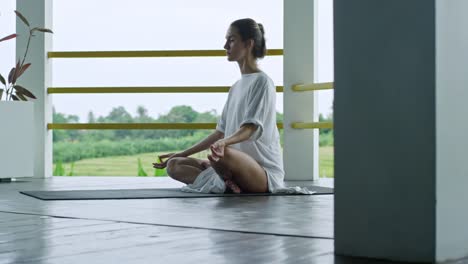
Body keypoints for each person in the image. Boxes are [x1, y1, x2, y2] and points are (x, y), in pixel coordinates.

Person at [153, 18, 284, 193]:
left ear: (249, 44)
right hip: (228, 163)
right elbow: (219, 133)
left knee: (224, 153)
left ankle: (224, 178)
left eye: (231, 40)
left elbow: (249, 128)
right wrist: (182, 153)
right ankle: (226, 181)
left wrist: (223, 144)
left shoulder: (262, 82)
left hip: (263, 175)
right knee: (174, 165)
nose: (225, 46)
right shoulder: (236, 87)